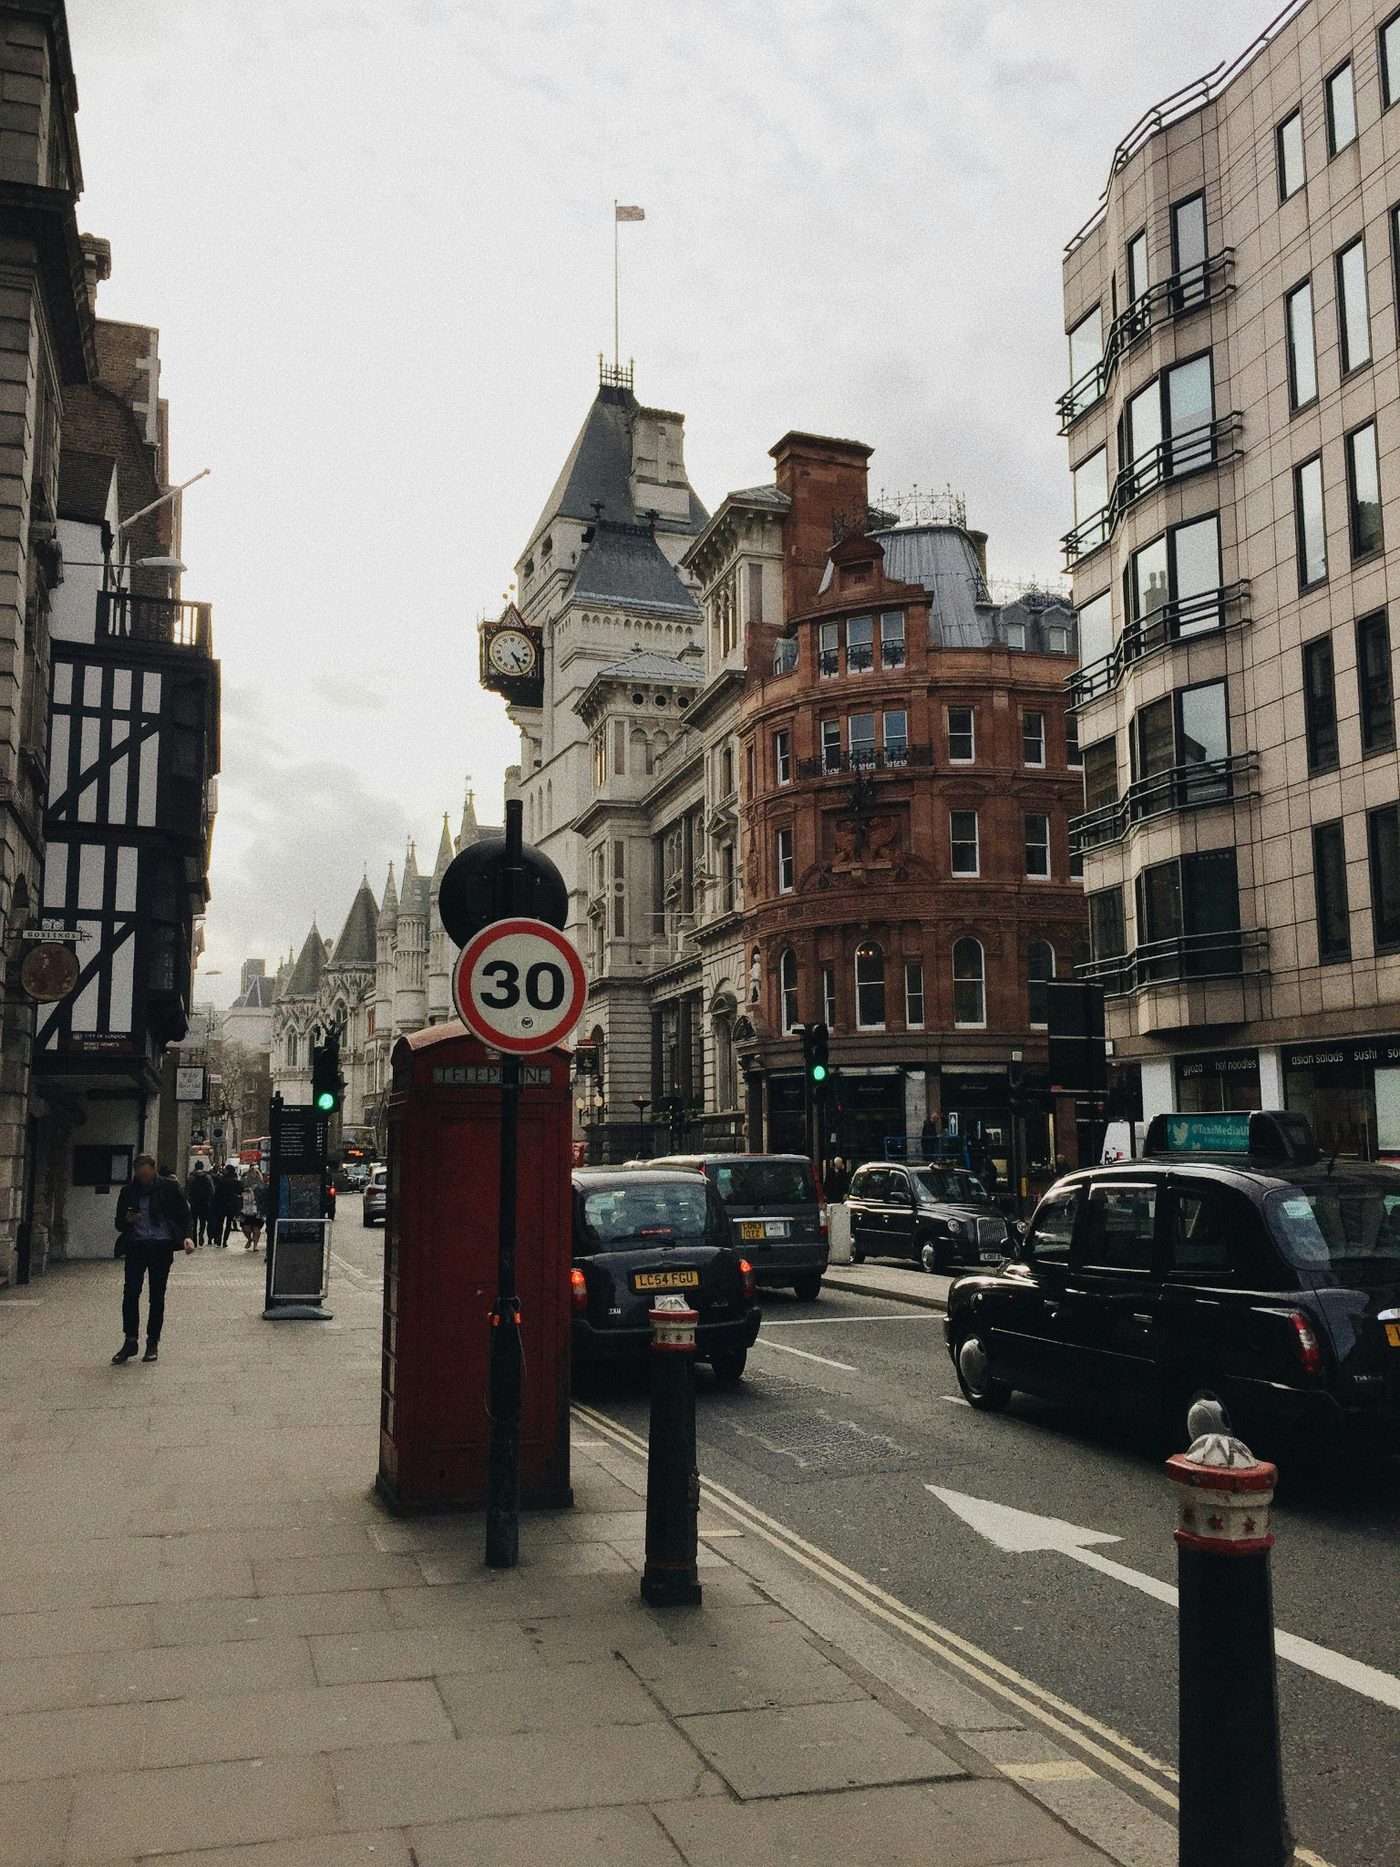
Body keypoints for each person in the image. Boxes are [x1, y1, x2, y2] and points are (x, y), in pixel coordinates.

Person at [112, 1154, 193, 1364]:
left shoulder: (169, 1187)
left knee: (156, 1296)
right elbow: (119, 1224)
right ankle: (130, 1339)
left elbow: (184, 1214)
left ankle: (152, 1341)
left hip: (161, 1245)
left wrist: (187, 1237)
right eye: (140, 1175)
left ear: (154, 1170)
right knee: (130, 1293)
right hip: (137, 1246)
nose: (144, 1179)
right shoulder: (128, 1191)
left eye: (147, 1174)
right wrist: (127, 1220)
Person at [239, 1166, 268, 1250]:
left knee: (256, 1228)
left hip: (257, 1208)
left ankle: (255, 1245)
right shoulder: (244, 1181)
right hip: (246, 1208)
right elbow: (239, 1190)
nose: (253, 1174)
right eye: (251, 1172)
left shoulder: (261, 1183)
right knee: (245, 1228)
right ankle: (249, 1239)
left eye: (255, 1172)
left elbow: (264, 1195)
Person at [186, 1161, 214, 1247]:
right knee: (203, 1220)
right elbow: (212, 1190)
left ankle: (194, 1239)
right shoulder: (207, 1177)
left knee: (194, 1221)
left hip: (194, 1202)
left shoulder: (191, 1177)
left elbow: (187, 1189)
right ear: (202, 1167)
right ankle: (201, 1233)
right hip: (204, 1202)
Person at [213, 1162, 241, 1247]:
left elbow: (216, 1192)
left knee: (220, 1222)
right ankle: (225, 1241)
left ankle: (218, 1238)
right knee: (229, 1223)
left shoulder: (221, 1180)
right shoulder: (235, 1181)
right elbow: (240, 1191)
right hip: (232, 1205)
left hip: (221, 1204)